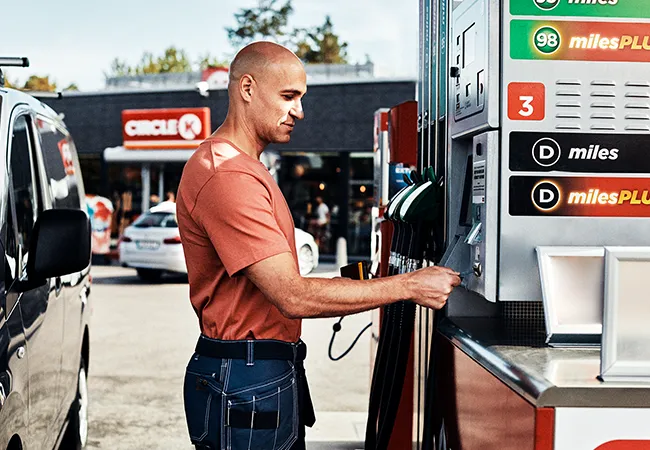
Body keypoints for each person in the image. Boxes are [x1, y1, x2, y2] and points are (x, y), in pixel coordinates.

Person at [176, 41, 461, 450]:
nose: (300, 111)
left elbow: (279, 286)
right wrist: (410, 286)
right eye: (288, 97)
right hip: (246, 377)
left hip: (260, 373)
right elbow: (291, 295)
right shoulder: (227, 175)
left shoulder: (245, 168)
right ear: (248, 88)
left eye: (301, 97)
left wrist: (368, 284)